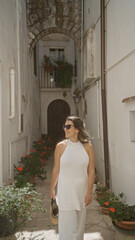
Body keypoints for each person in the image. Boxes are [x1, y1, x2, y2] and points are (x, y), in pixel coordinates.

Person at [50, 116, 95, 240]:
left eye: (68, 126)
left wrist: (89, 193)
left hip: (82, 194)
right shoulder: (60, 146)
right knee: (69, 232)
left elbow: (91, 171)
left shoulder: (87, 147)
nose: (65, 129)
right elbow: (56, 169)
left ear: (77, 129)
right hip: (66, 194)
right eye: (64, 126)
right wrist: (52, 189)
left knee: (79, 231)